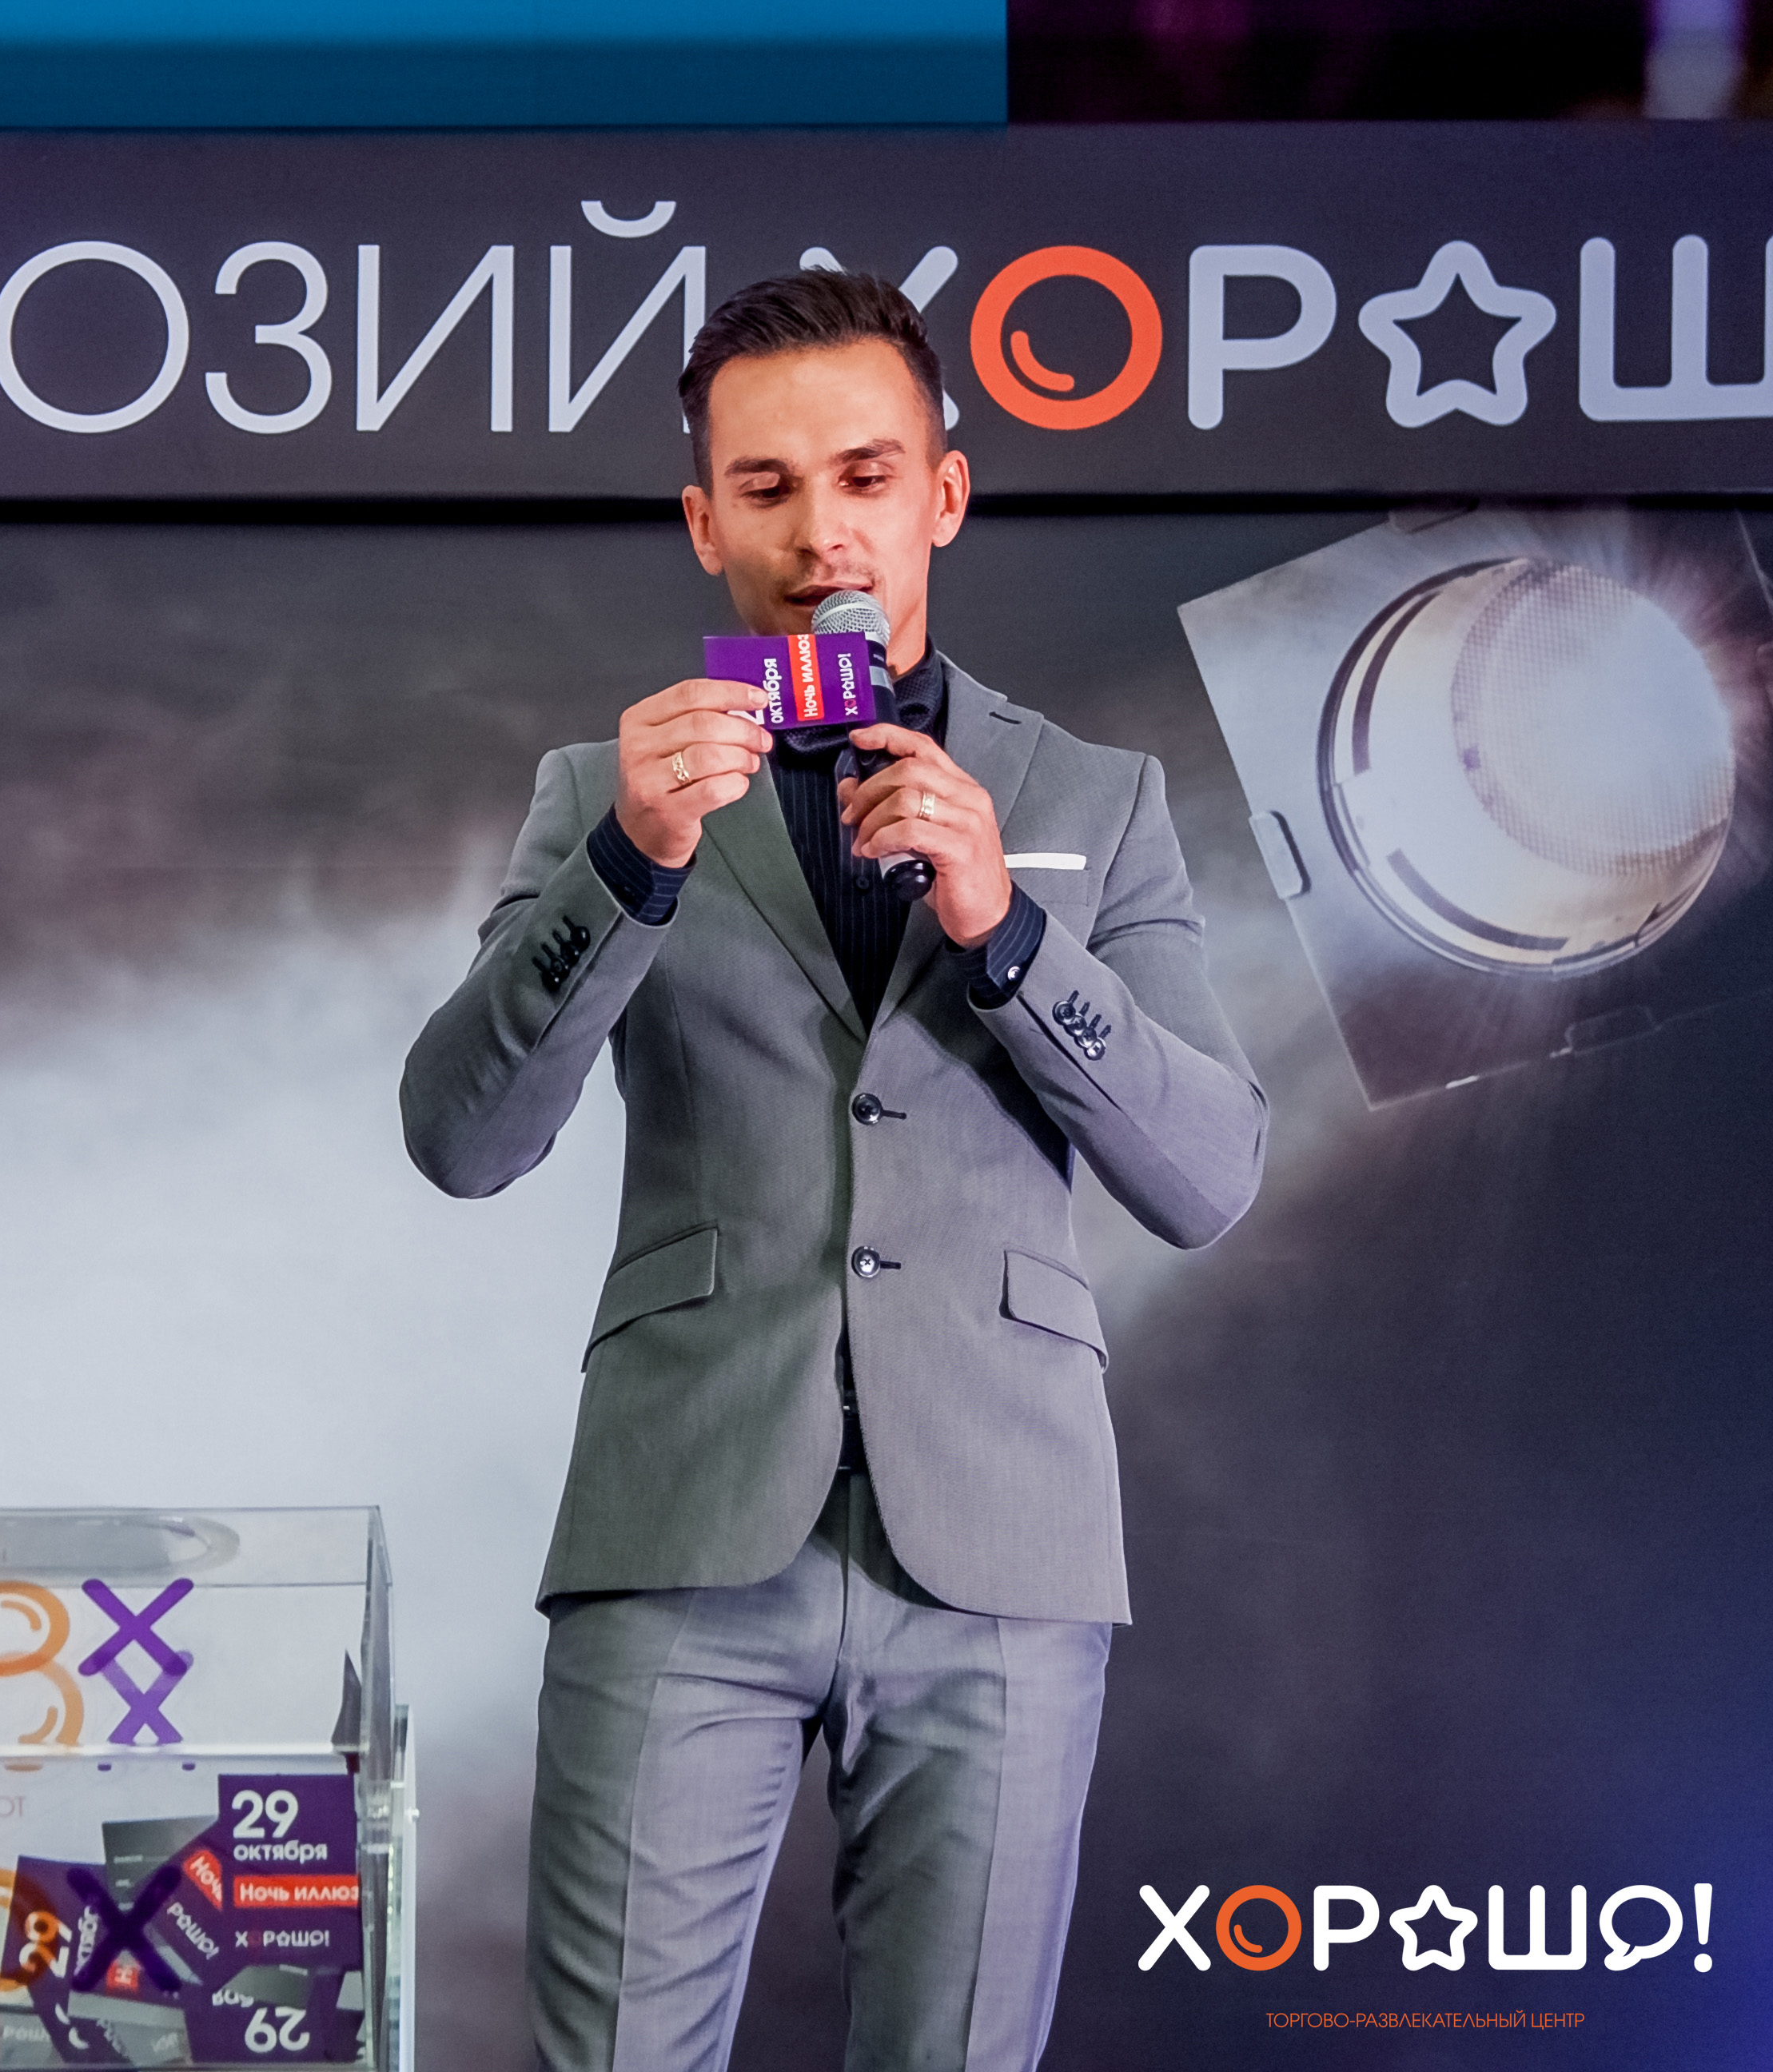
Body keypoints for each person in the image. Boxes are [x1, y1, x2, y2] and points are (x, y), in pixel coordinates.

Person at [400, 272, 1266, 2071]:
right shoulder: (601, 789)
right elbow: (462, 1138)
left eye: (865, 477)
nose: (821, 535)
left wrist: (1006, 928)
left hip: (1003, 1545)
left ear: (943, 494)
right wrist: (631, 864)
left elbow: (1208, 1171)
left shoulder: (1095, 799)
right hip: (682, 1523)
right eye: (769, 487)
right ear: (704, 520)